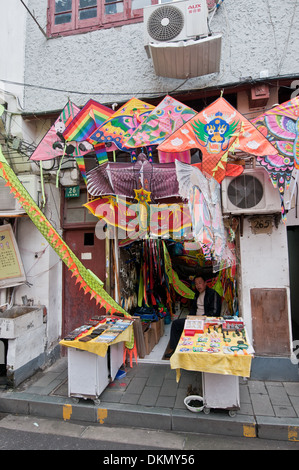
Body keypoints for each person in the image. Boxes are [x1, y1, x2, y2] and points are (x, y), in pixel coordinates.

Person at [165, 275, 222, 358]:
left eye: (200, 283)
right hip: (195, 320)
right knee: (176, 324)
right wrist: (190, 318)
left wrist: (201, 318)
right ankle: (175, 350)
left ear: (205, 283)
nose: (198, 286)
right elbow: (193, 309)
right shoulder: (196, 294)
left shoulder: (213, 294)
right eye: (196, 284)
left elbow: (215, 312)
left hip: (206, 321)